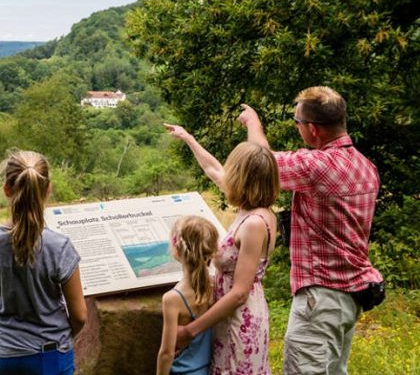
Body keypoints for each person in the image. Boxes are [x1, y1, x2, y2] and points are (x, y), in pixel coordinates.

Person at [238, 86, 383, 375]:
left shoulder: (317, 166)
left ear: (313, 129)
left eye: (297, 122)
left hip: (320, 299)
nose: (297, 128)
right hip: (350, 295)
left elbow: (262, 162)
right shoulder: (367, 167)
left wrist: (253, 124)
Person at [165, 124, 279, 374]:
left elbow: (239, 293)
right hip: (226, 315)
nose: (227, 174)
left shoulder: (254, 224)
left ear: (243, 177)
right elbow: (212, 169)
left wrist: (190, 331)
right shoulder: (251, 207)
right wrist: (189, 138)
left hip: (238, 319)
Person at [0, 150, 87, 375]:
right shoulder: (59, 246)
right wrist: (63, 336)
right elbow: (80, 315)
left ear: (7, 189)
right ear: (48, 190)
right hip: (50, 354)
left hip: (5, 354)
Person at [157, 215, 219, 375]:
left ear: (177, 249)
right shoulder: (216, 285)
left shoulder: (172, 299)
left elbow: (167, 353)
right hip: (208, 369)